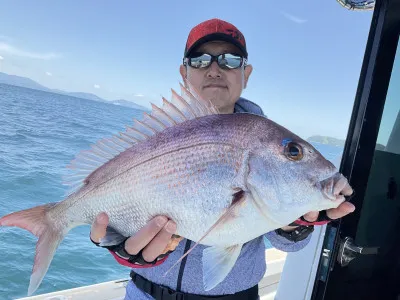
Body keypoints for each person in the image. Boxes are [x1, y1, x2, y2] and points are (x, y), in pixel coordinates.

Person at [90, 18, 356, 300]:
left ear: (246, 73)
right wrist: (117, 243)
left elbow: (289, 244)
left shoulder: (266, 140)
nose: (215, 69)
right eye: (200, 59)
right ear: (184, 72)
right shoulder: (153, 138)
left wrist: (297, 222)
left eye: (230, 59)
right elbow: (111, 202)